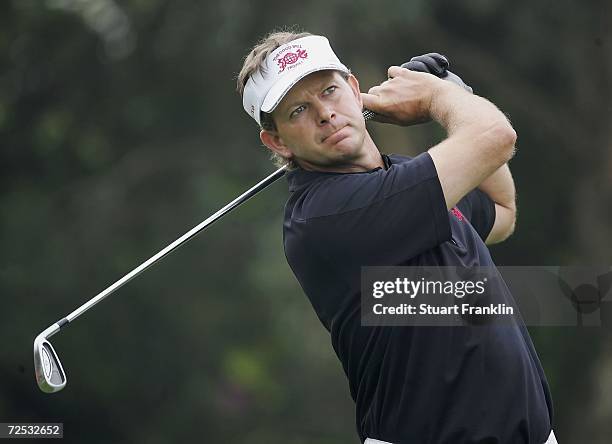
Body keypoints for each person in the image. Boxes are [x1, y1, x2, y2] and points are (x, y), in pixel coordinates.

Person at [237, 30, 556, 444]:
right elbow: (496, 138)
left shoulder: (404, 180)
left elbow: (502, 211)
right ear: (277, 141)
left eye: (330, 91)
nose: (325, 114)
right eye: (299, 109)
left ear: (355, 89)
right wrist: (438, 99)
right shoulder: (324, 214)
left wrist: (455, 92)